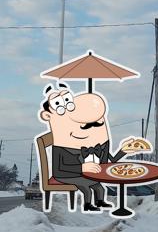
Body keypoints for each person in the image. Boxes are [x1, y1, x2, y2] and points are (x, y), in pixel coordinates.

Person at [38, 82, 140, 213]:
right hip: (64, 174)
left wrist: (123, 150)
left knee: (99, 187)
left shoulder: (93, 144)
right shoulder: (61, 147)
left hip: (81, 172)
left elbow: (111, 161)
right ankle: (87, 205)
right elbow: (59, 168)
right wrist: (82, 167)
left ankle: (100, 201)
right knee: (86, 186)